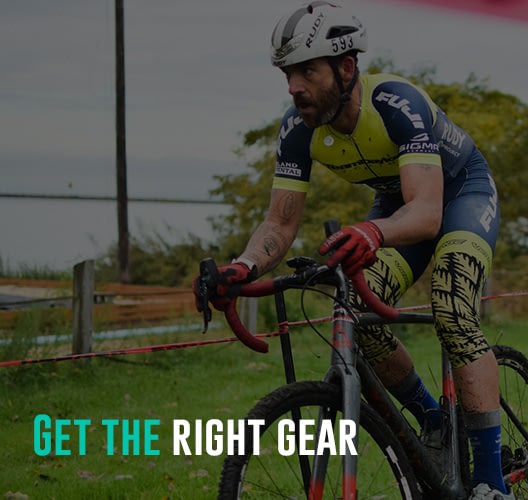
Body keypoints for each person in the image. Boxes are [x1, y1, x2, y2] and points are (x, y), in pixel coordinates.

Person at [194, 2, 510, 498]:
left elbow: (427, 213)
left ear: (346, 68)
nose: (294, 86)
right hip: (397, 203)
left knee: (452, 307)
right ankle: (432, 416)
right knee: (356, 305)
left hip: (459, 192)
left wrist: (372, 233)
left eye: (306, 71)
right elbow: (280, 221)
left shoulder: (395, 103)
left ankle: (493, 481)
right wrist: (243, 265)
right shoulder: (298, 129)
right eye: (287, 73)